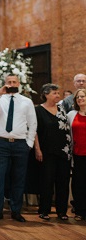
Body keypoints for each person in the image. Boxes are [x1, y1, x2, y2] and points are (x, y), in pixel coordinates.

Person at [0, 74, 37, 223]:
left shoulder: (27, 102)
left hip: (21, 144)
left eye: (14, 82)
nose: (11, 84)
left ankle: (16, 211)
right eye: (9, 82)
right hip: (2, 144)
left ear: (19, 84)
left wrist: (29, 144)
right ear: (5, 84)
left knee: (18, 178)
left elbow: (32, 123)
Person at [33, 84, 71, 221]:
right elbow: (34, 131)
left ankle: (62, 211)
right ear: (46, 94)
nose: (58, 95)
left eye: (58, 93)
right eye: (55, 93)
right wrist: (37, 149)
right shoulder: (38, 110)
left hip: (64, 151)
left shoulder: (62, 109)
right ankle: (44, 210)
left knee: (63, 181)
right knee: (46, 181)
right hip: (47, 151)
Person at [68, 88, 86, 221]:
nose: (80, 99)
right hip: (78, 154)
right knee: (79, 183)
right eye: (78, 97)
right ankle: (80, 211)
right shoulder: (71, 115)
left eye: (83, 96)